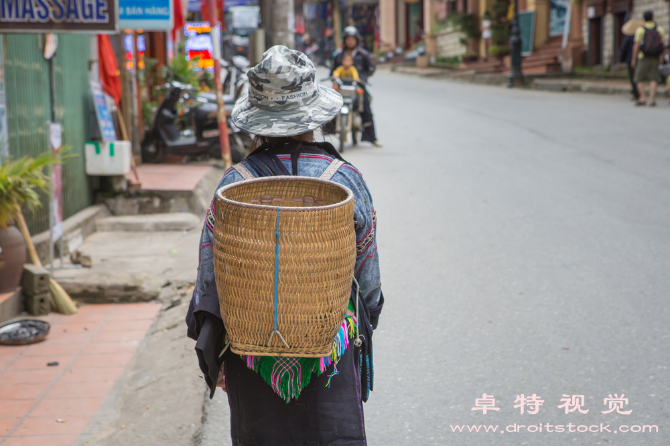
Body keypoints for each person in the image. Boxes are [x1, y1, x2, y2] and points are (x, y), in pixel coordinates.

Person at [186, 46, 384, 445]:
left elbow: (211, 277)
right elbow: (368, 278)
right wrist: (361, 326)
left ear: (256, 123)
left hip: (250, 352)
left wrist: (218, 355)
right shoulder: (344, 180)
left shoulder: (232, 185)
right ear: (314, 118)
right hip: (328, 346)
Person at [331, 26, 382, 146]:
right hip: (341, 86)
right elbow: (333, 70)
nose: (350, 41)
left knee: (366, 107)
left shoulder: (363, 54)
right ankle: (330, 131)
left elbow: (371, 68)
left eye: (352, 39)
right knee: (331, 103)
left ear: (356, 40)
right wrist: (334, 78)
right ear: (344, 40)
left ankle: (372, 138)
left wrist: (362, 78)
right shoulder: (339, 55)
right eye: (348, 39)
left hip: (357, 86)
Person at [632, 10, 666, 106]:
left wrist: (634, 59)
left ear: (644, 19)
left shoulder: (641, 30)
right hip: (655, 57)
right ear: (653, 17)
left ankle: (642, 97)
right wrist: (661, 57)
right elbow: (662, 44)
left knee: (638, 78)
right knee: (654, 78)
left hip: (643, 57)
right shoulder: (659, 29)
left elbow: (636, 46)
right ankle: (652, 99)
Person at [620, 13, 640, 101]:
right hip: (641, 58)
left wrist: (621, 59)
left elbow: (624, 48)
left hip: (630, 59)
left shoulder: (628, 37)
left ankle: (636, 93)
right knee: (639, 76)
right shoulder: (641, 34)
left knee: (633, 77)